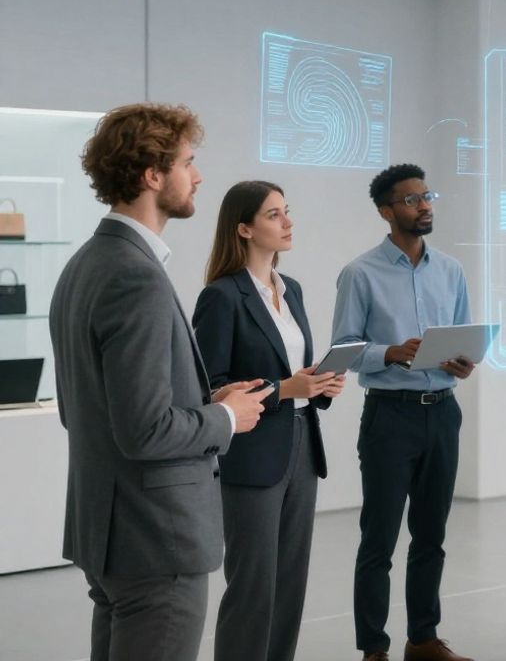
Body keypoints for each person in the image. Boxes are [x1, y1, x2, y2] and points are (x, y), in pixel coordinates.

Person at [48, 103, 271, 661]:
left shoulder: (84, 265)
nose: (196, 176)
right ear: (153, 175)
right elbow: (144, 430)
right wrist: (225, 418)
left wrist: (201, 401)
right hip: (157, 538)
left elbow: (89, 409)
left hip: (110, 529)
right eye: (188, 163)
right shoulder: (135, 277)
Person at [193, 180, 347, 661]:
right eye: (274, 215)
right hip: (251, 454)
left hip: (302, 445)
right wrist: (285, 389)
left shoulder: (291, 289)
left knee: (289, 585)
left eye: (287, 211)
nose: (288, 222)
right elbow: (209, 387)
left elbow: (293, 365)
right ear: (244, 228)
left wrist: (317, 386)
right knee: (253, 586)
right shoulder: (221, 297)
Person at [332, 164, 478, 661]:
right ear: (386, 211)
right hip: (389, 417)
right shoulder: (359, 273)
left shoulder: (451, 270)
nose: (424, 205)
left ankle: (423, 639)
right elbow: (343, 349)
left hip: (443, 412)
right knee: (379, 539)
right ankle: (374, 650)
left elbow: (462, 340)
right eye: (412, 199)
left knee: (431, 536)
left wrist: (462, 363)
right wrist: (392, 353)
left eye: (426, 195)